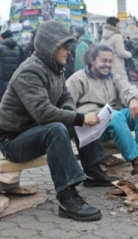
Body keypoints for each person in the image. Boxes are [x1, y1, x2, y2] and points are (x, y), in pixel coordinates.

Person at [0, 21, 119, 221]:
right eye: (64, 47)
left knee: (69, 122)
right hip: (13, 141)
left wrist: (73, 117)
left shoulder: (55, 68)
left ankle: (91, 171)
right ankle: (67, 197)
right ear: (50, 47)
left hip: (34, 129)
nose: (68, 52)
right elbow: (44, 113)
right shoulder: (29, 71)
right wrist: (79, 118)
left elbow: (66, 98)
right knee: (56, 128)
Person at [66, 45, 138, 175]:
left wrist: (132, 99)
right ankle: (137, 161)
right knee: (115, 115)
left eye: (110, 61)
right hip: (92, 126)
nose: (107, 65)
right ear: (92, 60)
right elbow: (65, 105)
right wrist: (80, 120)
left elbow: (128, 88)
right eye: (103, 61)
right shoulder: (78, 78)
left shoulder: (112, 76)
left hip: (114, 121)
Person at [99, 17, 132, 81]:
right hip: (117, 65)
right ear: (115, 24)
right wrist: (129, 54)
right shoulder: (117, 36)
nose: (120, 25)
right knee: (122, 86)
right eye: (119, 23)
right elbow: (121, 53)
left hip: (106, 66)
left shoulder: (103, 38)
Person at [0, 30, 24, 102]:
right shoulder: (19, 47)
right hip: (15, 74)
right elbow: (22, 60)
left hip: (2, 75)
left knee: (3, 95)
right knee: (14, 93)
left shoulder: (1, 48)